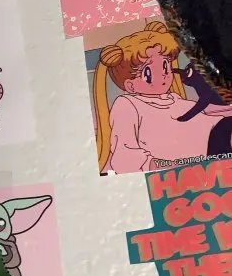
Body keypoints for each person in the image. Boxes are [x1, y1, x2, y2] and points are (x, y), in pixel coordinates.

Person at [93, 20, 232, 174]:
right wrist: (160, 165)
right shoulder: (127, 104)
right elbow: (124, 152)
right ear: (130, 85)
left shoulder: (172, 99)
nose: (163, 75)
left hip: (216, 140)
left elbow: (203, 111)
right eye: (148, 73)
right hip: (195, 161)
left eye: (165, 65)